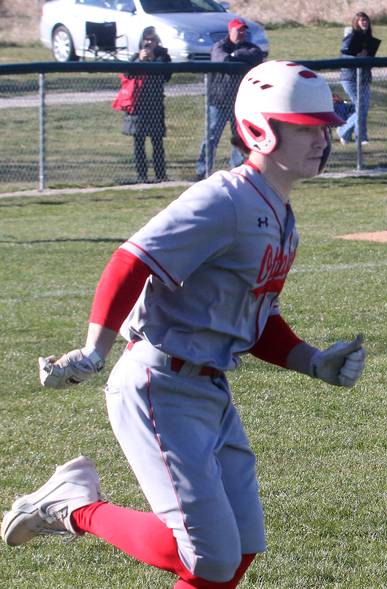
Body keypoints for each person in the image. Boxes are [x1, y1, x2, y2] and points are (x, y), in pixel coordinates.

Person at [1, 61, 366, 588]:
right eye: (305, 126)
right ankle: (75, 508)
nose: (323, 138)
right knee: (208, 558)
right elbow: (132, 260)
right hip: (160, 383)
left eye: (325, 126)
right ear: (261, 128)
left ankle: (74, 504)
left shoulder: (280, 216)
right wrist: (93, 350)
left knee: (239, 549)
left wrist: (311, 360)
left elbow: (253, 318)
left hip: (208, 389)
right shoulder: (224, 199)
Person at [195, 17, 265, 180]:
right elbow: (222, 59)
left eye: (243, 30)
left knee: (240, 137)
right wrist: (237, 56)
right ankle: (202, 170)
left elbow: (256, 56)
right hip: (218, 100)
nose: (241, 33)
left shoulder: (250, 47)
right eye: (238, 30)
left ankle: (238, 169)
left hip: (240, 102)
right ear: (230, 30)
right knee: (211, 136)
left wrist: (236, 54)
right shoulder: (219, 46)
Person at [123, 27, 171, 184]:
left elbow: (167, 75)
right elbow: (127, 74)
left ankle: (160, 175)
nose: (149, 42)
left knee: (157, 141)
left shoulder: (164, 57)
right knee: (139, 143)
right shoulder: (137, 56)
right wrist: (140, 61)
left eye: (152, 39)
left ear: (158, 41)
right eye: (146, 39)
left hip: (156, 105)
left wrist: (153, 60)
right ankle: (141, 176)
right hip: (138, 106)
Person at [337, 11, 379, 145]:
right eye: (361, 20)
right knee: (361, 107)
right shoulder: (351, 37)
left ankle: (344, 130)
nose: (364, 22)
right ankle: (361, 137)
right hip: (350, 78)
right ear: (356, 22)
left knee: (363, 108)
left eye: (366, 20)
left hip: (365, 77)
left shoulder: (369, 39)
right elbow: (344, 54)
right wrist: (356, 56)